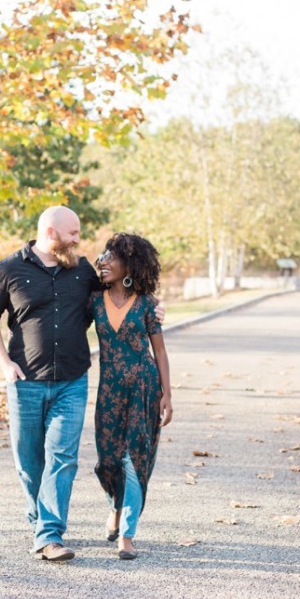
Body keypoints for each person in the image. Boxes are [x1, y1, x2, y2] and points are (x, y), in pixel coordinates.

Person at [0, 206, 163, 562]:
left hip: (72, 382)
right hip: (25, 380)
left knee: (62, 457)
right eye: (73, 233)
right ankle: (40, 522)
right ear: (50, 231)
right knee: (29, 462)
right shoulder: (7, 269)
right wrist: (4, 364)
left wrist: (155, 305)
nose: (79, 240)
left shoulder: (81, 273)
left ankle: (50, 535)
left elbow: (124, 290)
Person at [91, 233, 172, 560]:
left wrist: (168, 394)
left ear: (130, 263)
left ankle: (127, 534)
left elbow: (161, 351)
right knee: (108, 461)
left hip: (144, 387)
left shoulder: (148, 305)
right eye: (103, 256)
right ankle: (114, 504)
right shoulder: (93, 299)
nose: (104, 261)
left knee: (135, 460)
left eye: (112, 256)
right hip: (109, 389)